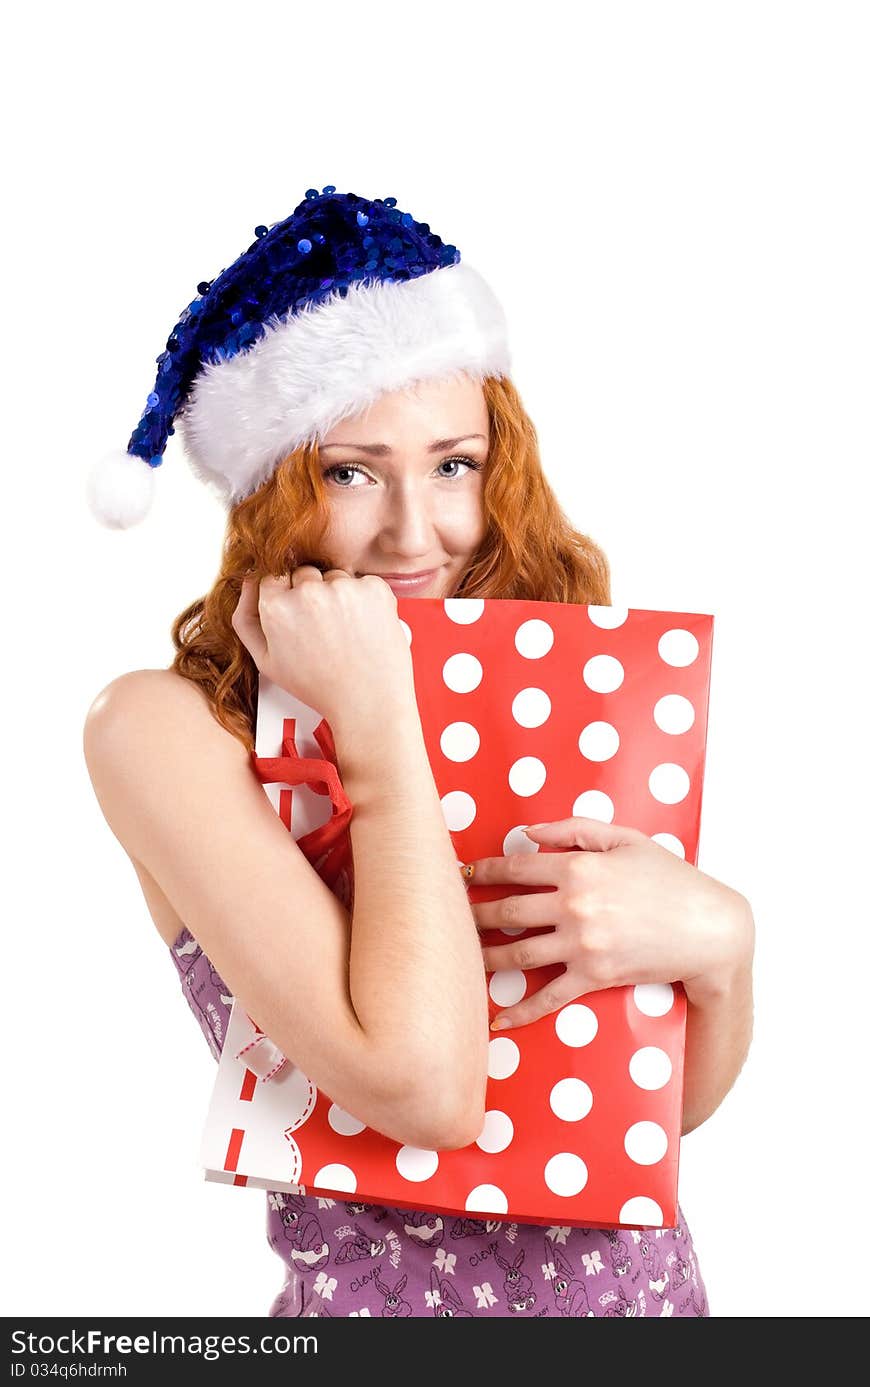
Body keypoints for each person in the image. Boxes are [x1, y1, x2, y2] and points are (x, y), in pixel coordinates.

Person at [82, 185, 754, 1318]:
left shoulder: (547, 680)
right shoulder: (163, 729)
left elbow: (643, 1112)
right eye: (349, 471)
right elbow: (425, 1089)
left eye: (453, 464)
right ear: (269, 487)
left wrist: (722, 949)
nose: (414, 530)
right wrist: (383, 731)